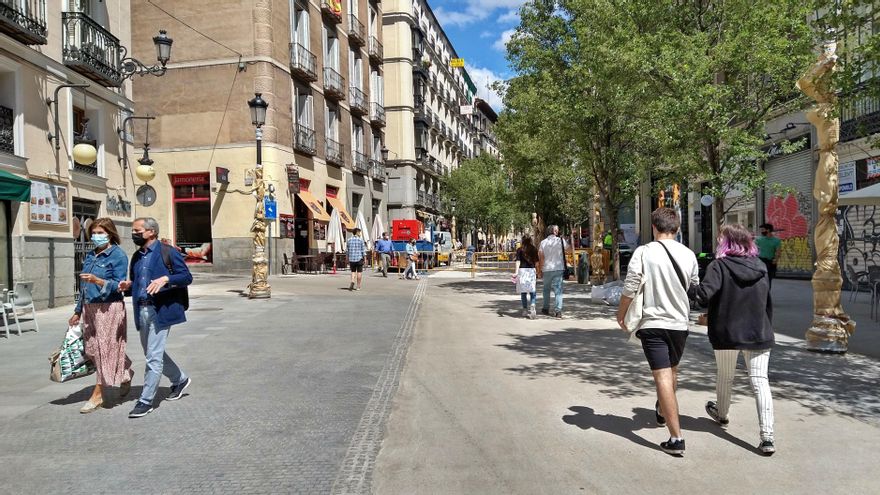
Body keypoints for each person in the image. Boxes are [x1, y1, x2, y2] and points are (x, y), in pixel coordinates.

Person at [616, 207, 698, 456]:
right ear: (678, 228)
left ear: (654, 227)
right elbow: (694, 288)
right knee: (672, 371)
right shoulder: (688, 254)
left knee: (662, 376)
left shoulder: (644, 252)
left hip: (653, 323)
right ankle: (663, 410)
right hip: (679, 324)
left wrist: (621, 314)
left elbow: (630, 286)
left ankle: (676, 438)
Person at [689, 224, 776, 455]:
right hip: (759, 332)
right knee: (760, 381)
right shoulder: (761, 267)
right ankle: (767, 436)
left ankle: (722, 414)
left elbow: (703, 296)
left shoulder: (719, 266)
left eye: (720, 238)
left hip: (727, 332)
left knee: (726, 376)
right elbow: (767, 302)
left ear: (726, 242)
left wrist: (688, 286)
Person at [118, 217, 193, 419]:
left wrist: (166, 278)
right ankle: (179, 379)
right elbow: (138, 283)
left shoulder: (168, 252)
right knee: (153, 352)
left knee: (153, 356)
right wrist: (128, 286)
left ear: (151, 232)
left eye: (137, 231)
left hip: (160, 310)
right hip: (141, 310)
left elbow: (186, 277)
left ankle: (146, 400)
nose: (134, 234)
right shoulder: (137, 256)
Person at [68, 218, 133, 413]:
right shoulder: (90, 255)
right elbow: (83, 287)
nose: (96, 236)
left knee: (105, 349)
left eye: (100, 233)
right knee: (91, 349)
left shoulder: (118, 255)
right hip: (90, 307)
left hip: (109, 306)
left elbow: (119, 284)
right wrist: (77, 310)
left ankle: (98, 395)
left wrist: (98, 280)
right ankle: (125, 371)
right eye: (93, 233)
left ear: (110, 234)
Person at [537, 225, 568, 318]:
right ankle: (558, 311)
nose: (558, 232)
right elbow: (569, 249)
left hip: (547, 269)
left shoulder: (543, 243)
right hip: (558, 268)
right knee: (558, 290)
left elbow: (541, 257)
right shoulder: (561, 241)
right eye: (557, 230)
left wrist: (540, 270)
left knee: (546, 289)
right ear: (555, 232)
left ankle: (545, 308)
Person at [514, 235, 539, 319]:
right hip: (531, 271)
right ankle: (532, 304)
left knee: (523, 291)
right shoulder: (534, 249)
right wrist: (538, 272)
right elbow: (537, 262)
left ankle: (525, 309)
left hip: (522, 271)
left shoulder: (519, 250)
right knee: (532, 290)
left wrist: (516, 272)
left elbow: (518, 261)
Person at [755, 223, 781, 288]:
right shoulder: (758, 239)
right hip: (761, 261)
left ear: (768, 230)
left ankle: (767, 294)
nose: (761, 231)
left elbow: (778, 251)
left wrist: (776, 260)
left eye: (763, 229)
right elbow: (754, 250)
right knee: (760, 278)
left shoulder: (776, 240)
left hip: (771, 262)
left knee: (769, 279)